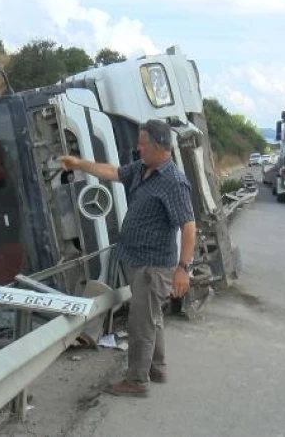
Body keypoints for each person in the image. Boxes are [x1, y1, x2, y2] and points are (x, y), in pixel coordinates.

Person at [58, 119, 196, 398]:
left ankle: (137, 381)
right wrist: (78, 164)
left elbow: (189, 225)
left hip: (153, 266)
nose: (138, 148)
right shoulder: (143, 169)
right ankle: (156, 367)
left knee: (141, 324)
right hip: (137, 261)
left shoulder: (173, 181)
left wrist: (183, 269)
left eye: (143, 144)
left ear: (159, 147)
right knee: (152, 318)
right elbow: (111, 171)